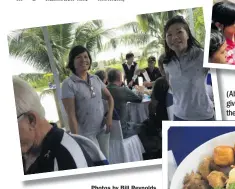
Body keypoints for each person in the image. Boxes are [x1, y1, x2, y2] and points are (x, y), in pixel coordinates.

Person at [13, 76, 108, 175]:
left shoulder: (66, 161)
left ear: (31, 120)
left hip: (97, 128)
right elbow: (71, 114)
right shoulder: (69, 83)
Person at [61, 45, 114, 159]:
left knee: (106, 160)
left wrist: (109, 115)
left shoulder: (96, 78)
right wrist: (77, 140)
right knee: (96, 163)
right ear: (72, 62)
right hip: (86, 134)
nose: (83, 60)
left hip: (102, 129)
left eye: (86, 56)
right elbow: (71, 116)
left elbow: (110, 98)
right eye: (78, 57)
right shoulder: (68, 84)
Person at [163, 15, 214, 121]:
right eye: (169, 35)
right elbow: (173, 88)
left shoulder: (201, 56)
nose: (174, 37)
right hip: (178, 116)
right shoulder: (167, 63)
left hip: (203, 117)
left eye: (179, 32)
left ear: (187, 35)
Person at [106, 68, 144, 138]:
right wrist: (141, 91)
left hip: (108, 131)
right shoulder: (123, 90)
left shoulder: (103, 91)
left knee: (136, 124)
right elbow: (139, 100)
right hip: (123, 130)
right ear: (120, 79)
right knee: (146, 127)